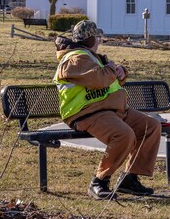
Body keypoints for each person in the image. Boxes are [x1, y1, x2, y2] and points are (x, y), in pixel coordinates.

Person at [53, 20, 161, 200]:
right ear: (90, 39)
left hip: (114, 111)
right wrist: (112, 68)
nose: (99, 41)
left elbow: (109, 80)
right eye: (97, 37)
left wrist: (121, 72)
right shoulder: (75, 57)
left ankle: (129, 179)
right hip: (88, 113)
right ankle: (99, 181)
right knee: (124, 135)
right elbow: (99, 80)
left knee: (151, 126)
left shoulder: (90, 56)